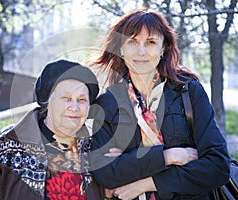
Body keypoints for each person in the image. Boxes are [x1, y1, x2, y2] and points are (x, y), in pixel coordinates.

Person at [88, 7, 230, 200]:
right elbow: (105, 173)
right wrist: (169, 156)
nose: (141, 51)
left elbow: (217, 166)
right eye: (132, 41)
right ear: (121, 48)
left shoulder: (188, 92)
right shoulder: (107, 103)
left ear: (163, 48)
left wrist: (145, 183)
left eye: (151, 42)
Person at [0, 59, 103, 199]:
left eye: (82, 100)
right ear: (48, 102)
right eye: (66, 98)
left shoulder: (96, 146)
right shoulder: (7, 145)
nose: (74, 107)